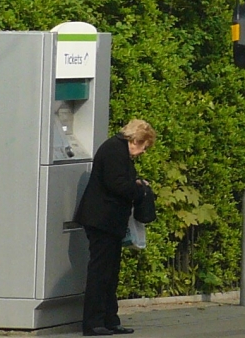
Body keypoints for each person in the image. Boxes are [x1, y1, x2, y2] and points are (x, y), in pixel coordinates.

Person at [74, 120, 155, 336]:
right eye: (144, 147)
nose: (142, 152)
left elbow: (118, 181)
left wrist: (135, 183)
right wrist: (139, 190)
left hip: (108, 221)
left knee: (110, 272)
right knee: (101, 272)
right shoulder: (114, 151)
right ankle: (94, 322)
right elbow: (117, 184)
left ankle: (109, 319)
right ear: (136, 140)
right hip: (102, 221)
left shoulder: (116, 150)